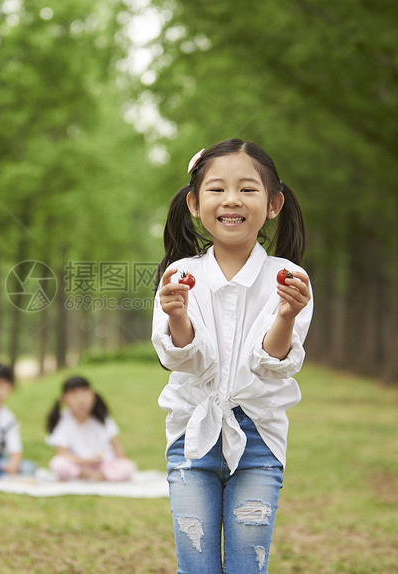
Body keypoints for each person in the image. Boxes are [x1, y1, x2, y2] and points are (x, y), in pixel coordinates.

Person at [152, 139, 313, 573]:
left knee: (248, 564)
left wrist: (285, 315)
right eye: (217, 189)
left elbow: (273, 364)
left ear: (274, 203)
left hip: (258, 436)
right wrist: (178, 316)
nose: (231, 200)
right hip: (192, 435)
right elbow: (180, 360)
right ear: (194, 202)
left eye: (247, 189)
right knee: (195, 563)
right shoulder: (180, 275)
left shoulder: (290, 279)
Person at [45, 375, 137, 482]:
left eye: (85, 394)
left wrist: (121, 461)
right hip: (79, 465)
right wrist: (85, 462)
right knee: (58, 463)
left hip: (104, 464)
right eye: (74, 396)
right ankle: (84, 475)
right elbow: (62, 453)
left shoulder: (101, 418)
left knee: (128, 466)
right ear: (64, 399)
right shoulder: (63, 420)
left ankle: (102, 476)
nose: (81, 401)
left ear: (93, 396)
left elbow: (116, 445)